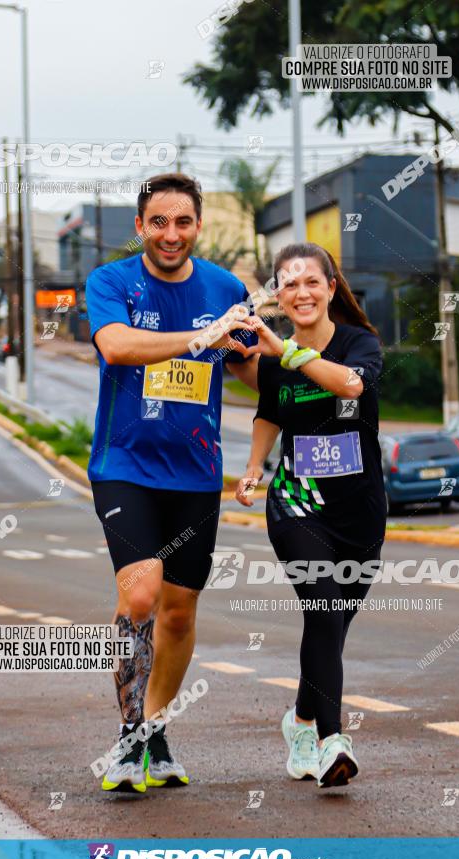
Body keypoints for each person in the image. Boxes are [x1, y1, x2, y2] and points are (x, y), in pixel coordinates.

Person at [86, 173, 258, 793]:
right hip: (125, 467)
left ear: (198, 227)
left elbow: (249, 375)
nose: (170, 234)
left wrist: (272, 348)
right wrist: (198, 337)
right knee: (140, 598)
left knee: (180, 615)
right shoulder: (110, 282)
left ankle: (155, 728)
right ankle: (129, 743)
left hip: (196, 475)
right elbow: (117, 346)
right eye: (158, 222)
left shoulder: (226, 286)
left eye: (182, 222)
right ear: (140, 227)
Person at [236, 242, 386, 789]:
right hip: (298, 505)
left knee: (332, 628)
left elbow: (349, 384)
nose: (300, 292)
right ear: (279, 293)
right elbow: (268, 414)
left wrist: (289, 352)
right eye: (288, 283)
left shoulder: (359, 344)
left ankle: (298, 722)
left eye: (310, 282)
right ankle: (332, 741)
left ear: (329, 287)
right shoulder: (275, 361)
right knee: (323, 611)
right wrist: (253, 467)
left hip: (361, 512)